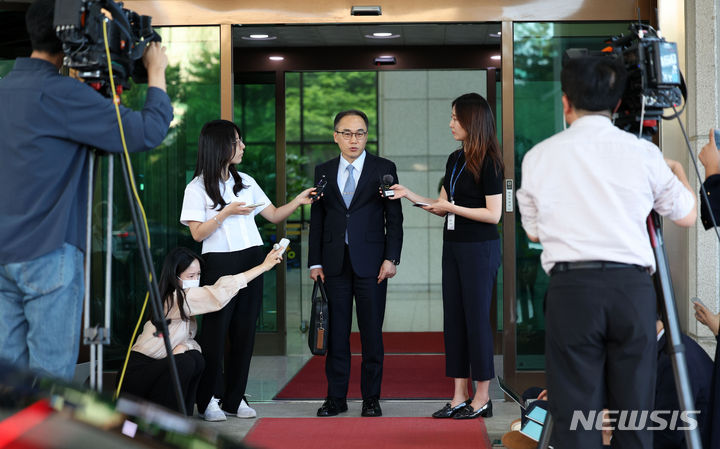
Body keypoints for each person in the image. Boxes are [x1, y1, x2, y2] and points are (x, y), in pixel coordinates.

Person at [516, 55, 696, 449]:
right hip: (630, 291)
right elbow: (686, 215)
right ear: (616, 106)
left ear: (565, 103)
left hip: (571, 289)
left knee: (575, 416)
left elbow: (532, 229)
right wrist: (678, 172)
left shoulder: (539, 157)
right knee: (634, 413)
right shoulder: (643, 154)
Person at [0, 0, 172, 381]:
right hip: (47, 251)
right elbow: (147, 131)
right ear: (71, 37)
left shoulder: (6, 89)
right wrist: (156, 72)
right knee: (49, 381)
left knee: (8, 384)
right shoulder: (61, 95)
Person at [180, 119, 315, 421]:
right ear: (220, 146)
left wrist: (297, 200)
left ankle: (234, 397)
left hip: (253, 260)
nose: (243, 147)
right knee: (215, 334)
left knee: (244, 333)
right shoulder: (197, 187)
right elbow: (198, 234)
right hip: (219, 262)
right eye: (237, 141)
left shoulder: (247, 182)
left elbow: (274, 214)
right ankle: (209, 399)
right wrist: (226, 212)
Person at [389, 93, 503, 419]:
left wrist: (452, 207)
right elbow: (441, 207)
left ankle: (483, 397)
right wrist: (408, 194)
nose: (450, 123)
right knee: (454, 320)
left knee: (477, 322)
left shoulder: (491, 161)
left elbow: (493, 214)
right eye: (451, 117)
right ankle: (458, 396)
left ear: (472, 121)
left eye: (456, 117)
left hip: (480, 249)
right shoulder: (454, 159)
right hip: (452, 247)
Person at [308, 109, 403, 418]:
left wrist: (392, 258)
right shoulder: (323, 170)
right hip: (334, 264)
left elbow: (395, 219)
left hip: (373, 265)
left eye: (360, 133)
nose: (353, 139)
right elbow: (318, 220)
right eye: (347, 133)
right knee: (337, 334)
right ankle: (335, 398)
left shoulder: (384, 168)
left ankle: (371, 398)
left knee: (371, 334)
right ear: (336, 136)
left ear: (366, 135)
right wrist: (314, 263)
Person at [121, 246, 284, 415]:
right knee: (186, 362)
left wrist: (185, 347)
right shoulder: (174, 299)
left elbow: (187, 340)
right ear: (174, 277)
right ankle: (166, 416)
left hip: (160, 365)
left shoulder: (184, 300)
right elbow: (218, 293)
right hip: (140, 371)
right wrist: (263, 267)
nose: (196, 280)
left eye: (198, 275)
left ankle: (181, 415)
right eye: (190, 276)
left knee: (195, 358)